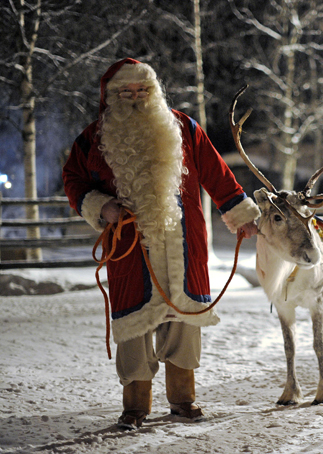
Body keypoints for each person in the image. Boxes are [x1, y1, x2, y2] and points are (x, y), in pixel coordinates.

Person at [62, 58, 260, 430]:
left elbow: (216, 172)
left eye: (143, 90)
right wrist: (100, 205)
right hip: (127, 244)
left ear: (154, 91)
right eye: (127, 91)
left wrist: (241, 213)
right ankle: (135, 405)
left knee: (184, 320)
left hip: (183, 243)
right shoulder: (92, 137)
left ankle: (183, 400)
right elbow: (72, 179)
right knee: (134, 325)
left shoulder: (183, 126)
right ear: (112, 96)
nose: (136, 97)